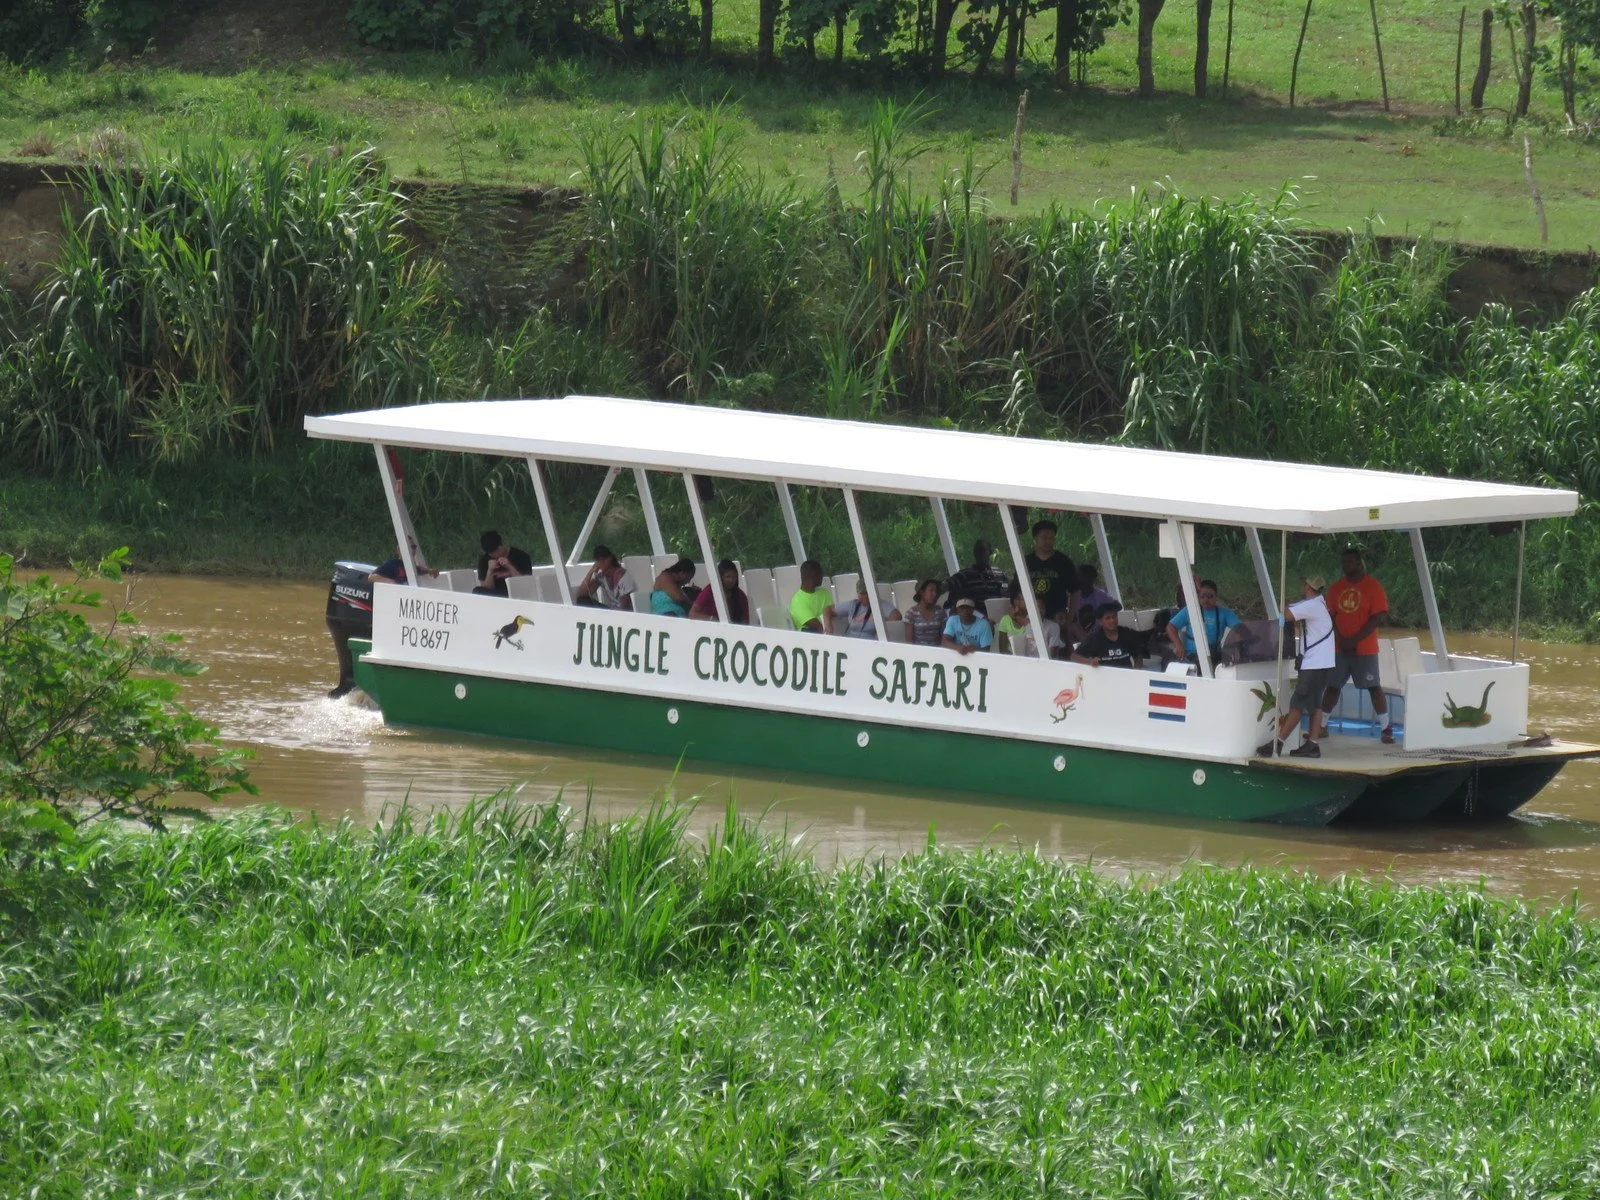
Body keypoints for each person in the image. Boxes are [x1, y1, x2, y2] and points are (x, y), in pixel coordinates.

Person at [1320, 547, 1394, 744]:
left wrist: (1354, 640)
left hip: (1365, 649)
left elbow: (1377, 617)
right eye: (1343, 563)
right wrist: (1341, 639)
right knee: (1332, 686)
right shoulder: (1336, 588)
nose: (1345, 566)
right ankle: (1322, 726)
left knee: (1373, 687)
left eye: (1349, 562)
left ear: (1359, 562)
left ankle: (1386, 728)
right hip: (1339, 648)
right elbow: (1330, 616)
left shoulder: (1373, 587)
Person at [1261, 576, 1336, 758]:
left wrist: (1287, 603)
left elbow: (1286, 614)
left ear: (1307, 587)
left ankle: (1278, 743)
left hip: (1314, 664)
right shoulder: (1320, 604)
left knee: (1297, 703)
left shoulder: (1311, 606)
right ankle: (1313, 744)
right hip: (1324, 663)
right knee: (1316, 704)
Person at [1014, 519, 1078, 637]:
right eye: (1044, 537)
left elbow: (1075, 591)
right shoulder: (1025, 562)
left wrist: (1069, 618)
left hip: (1057, 617)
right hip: (1030, 618)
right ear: (1035, 539)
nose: (1048, 541)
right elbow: (1015, 592)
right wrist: (1020, 616)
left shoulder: (1064, 562)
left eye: (1051, 538)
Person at [1166, 579, 1242, 665]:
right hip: (1193, 654)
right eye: (1202, 597)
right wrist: (1178, 644)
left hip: (1216, 653)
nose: (1206, 600)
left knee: (1234, 664)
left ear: (1216, 597)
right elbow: (1170, 627)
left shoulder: (1225, 612)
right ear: (1198, 596)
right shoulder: (1189, 610)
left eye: (1210, 596)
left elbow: (1240, 628)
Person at [996, 585, 1064, 659]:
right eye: (1034, 608)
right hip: (1025, 662)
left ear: (1044, 609)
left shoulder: (1052, 626)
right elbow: (1004, 649)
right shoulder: (1022, 621)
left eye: (1040, 607)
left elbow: (1051, 654)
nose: (1038, 611)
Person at [944, 540, 1009, 610]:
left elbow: (1008, 591)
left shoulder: (998, 573)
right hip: (976, 616)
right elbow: (946, 586)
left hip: (999, 613)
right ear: (976, 554)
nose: (985, 554)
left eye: (986, 551)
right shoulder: (965, 575)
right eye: (981, 551)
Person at [1073, 601, 1141, 668]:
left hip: (1127, 676)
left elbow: (1138, 657)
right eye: (1107, 618)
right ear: (1100, 622)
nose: (1112, 620)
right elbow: (1074, 657)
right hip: (1105, 677)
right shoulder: (1095, 638)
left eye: (1114, 616)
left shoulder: (1127, 634)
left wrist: (1136, 673)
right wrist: (1090, 661)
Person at [835, 578, 901, 640]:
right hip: (850, 641)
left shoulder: (880, 605)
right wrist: (828, 625)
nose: (860, 597)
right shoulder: (853, 604)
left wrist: (882, 632)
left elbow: (897, 615)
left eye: (864, 594)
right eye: (859, 593)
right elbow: (828, 610)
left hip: (869, 643)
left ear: (871, 593)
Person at [574, 545, 636, 611]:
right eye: (598, 559)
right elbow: (581, 594)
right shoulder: (601, 577)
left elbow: (625, 606)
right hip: (612, 611)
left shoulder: (621, 575)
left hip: (626, 613)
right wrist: (591, 571)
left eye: (604, 558)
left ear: (610, 558)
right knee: (582, 601)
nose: (601, 562)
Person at [690, 560, 750, 624]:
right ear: (720, 577)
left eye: (734, 577)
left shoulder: (741, 595)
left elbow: (745, 621)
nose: (731, 580)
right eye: (728, 577)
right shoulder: (709, 590)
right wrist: (712, 619)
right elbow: (692, 614)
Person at [474, 531, 532, 597]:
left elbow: (526, 584)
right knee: (477, 591)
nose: (494, 555)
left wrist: (510, 567)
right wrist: (490, 571)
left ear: (501, 546)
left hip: (516, 593)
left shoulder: (522, 557)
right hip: (496, 594)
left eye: (496, 551)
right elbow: (485, 589)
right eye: (490, 553)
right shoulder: (484, 560)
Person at [789, 560, 836, 633]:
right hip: (809, 639)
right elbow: (818, 627)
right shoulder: (797, 601)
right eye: (820, 573)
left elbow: (835, 613)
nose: (822, 576)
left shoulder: (824, 592)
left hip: (831, 633)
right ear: (813, 575)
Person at [903, 578, 946, 646]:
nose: (934, 594)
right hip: (918, 654)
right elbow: (909, 642)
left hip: (938, 652)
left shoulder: (940, 612)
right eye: (931, 590)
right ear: (922, 592)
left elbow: (945, 638)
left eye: (936, 591)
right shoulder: (911, 613)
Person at [369, 549, 439, 585]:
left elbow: (419, 569)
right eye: (410, 547)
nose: (413, 550)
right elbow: (371, 577)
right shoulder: (392, 563)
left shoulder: (410, 566)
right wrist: (392, 582)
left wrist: (430, 571)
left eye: (414, 547)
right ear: (399, 549)